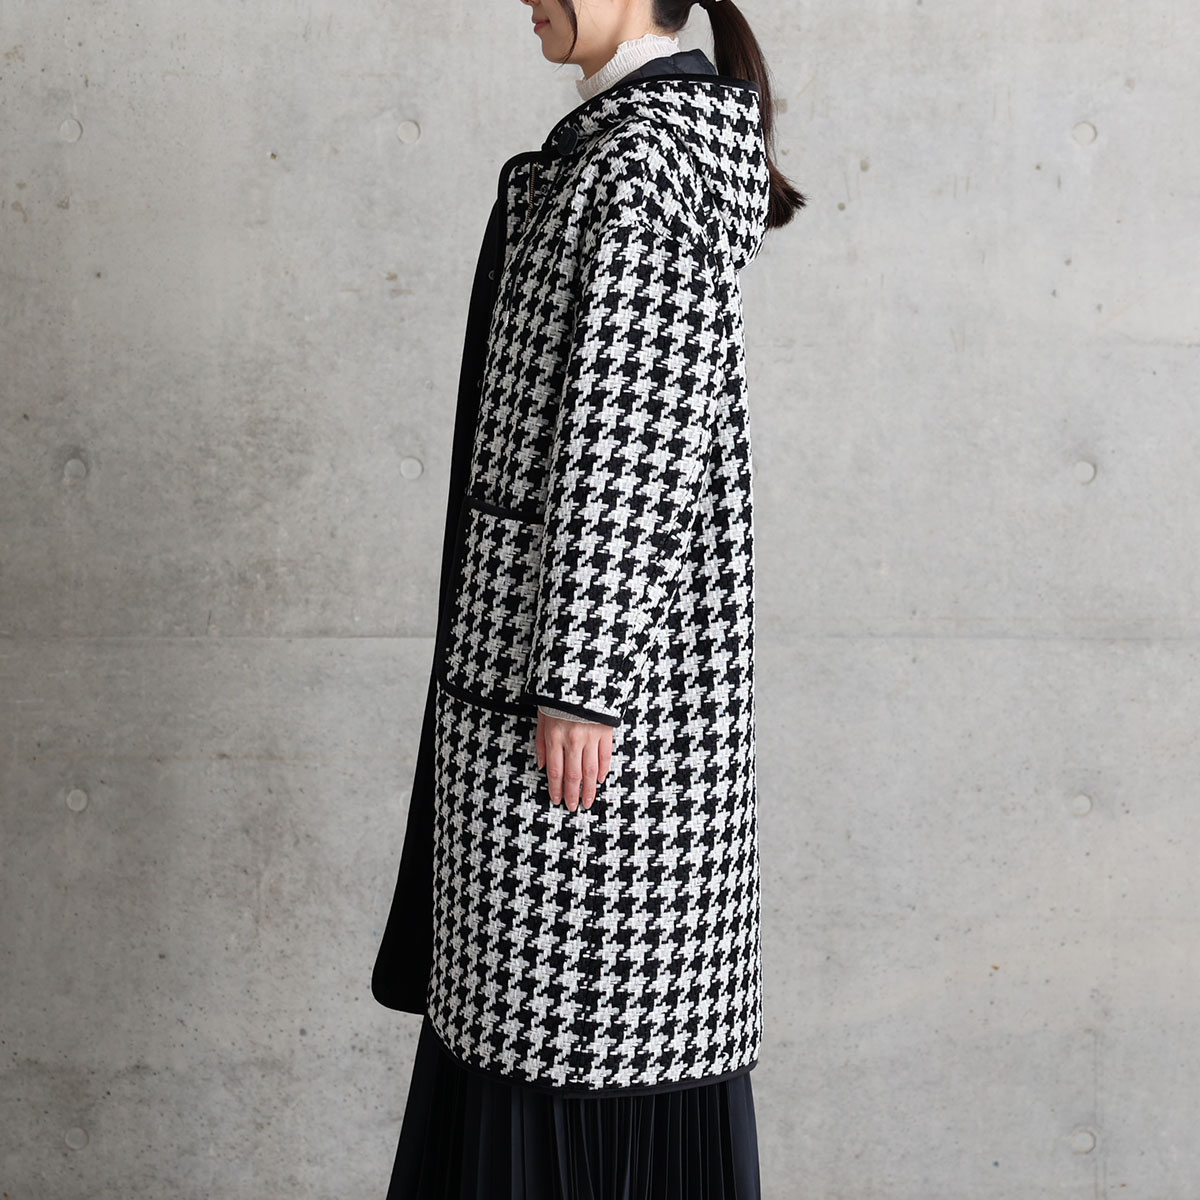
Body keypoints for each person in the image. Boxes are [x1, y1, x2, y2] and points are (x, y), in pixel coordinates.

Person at [373, 0, 806, 1195]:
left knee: (568, 1038)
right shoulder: (610, 155)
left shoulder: (644, 164)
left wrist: (579, 682)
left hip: (582, 717)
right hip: (548, 684)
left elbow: (633, 444)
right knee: (543, 1028)